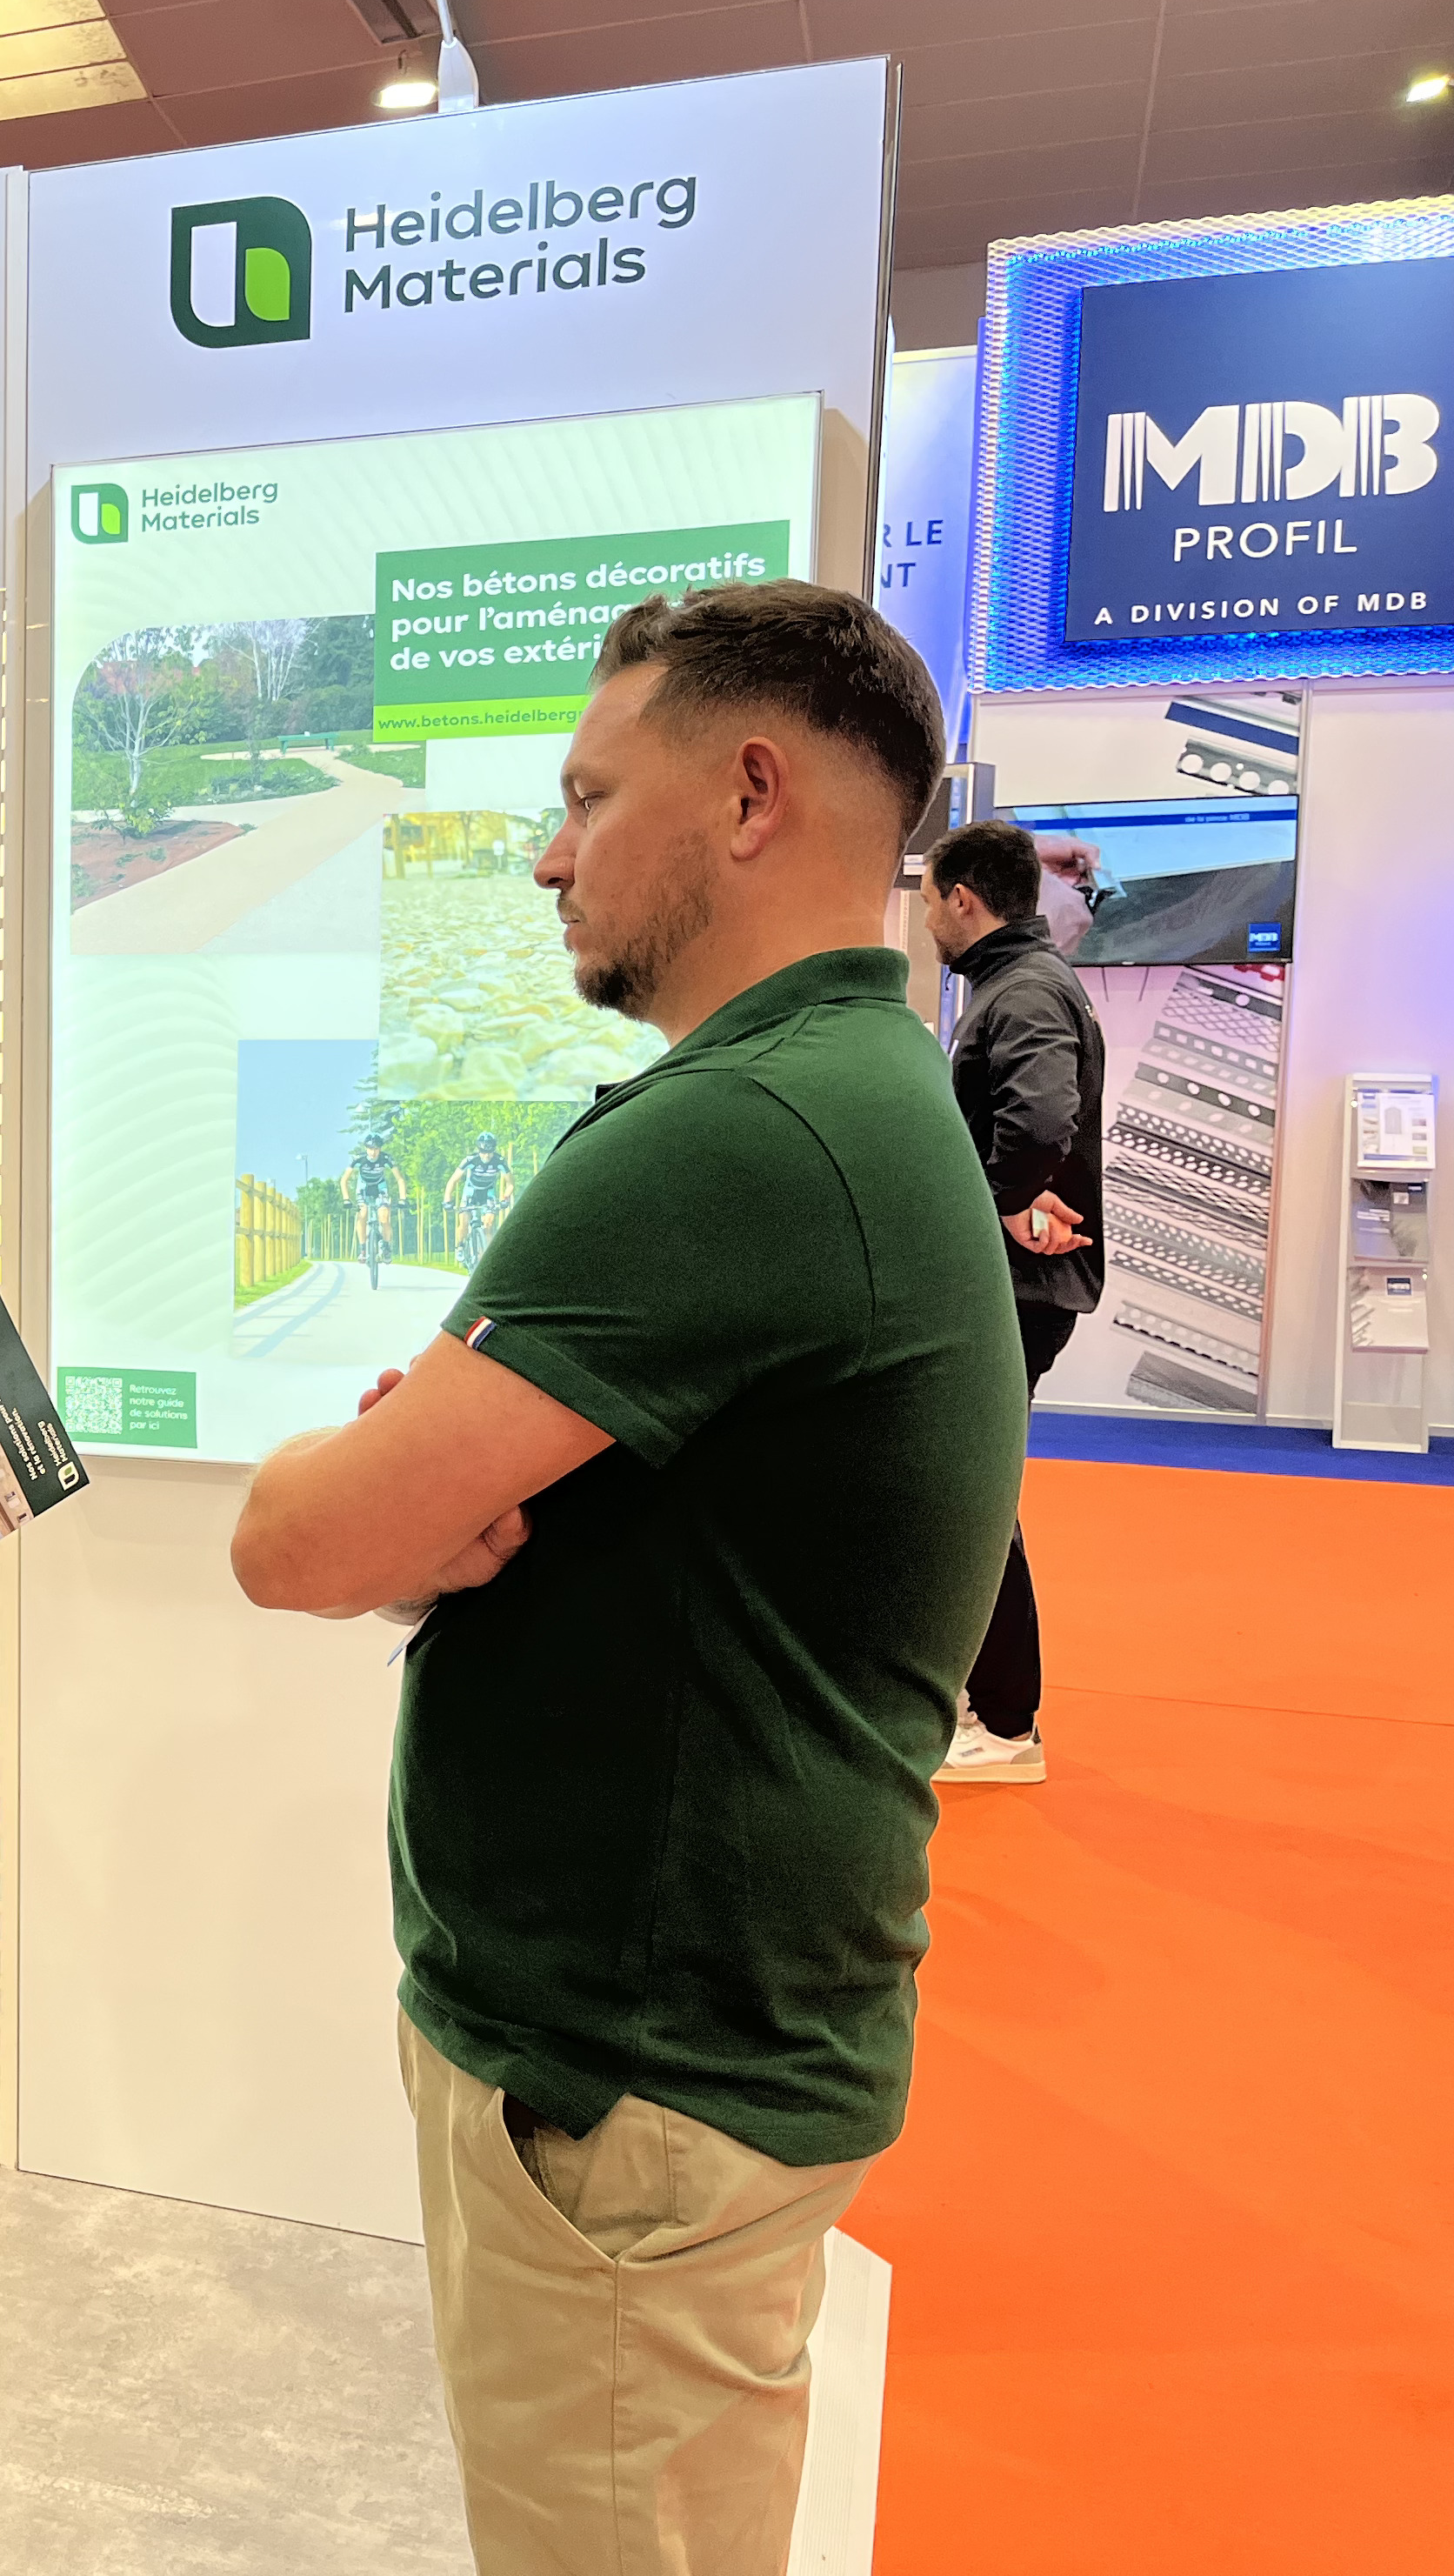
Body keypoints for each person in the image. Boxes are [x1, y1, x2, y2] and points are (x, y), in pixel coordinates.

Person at [228, 581, 1024, 2576]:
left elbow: (301, 1544)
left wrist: (385, 1476)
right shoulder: (847, 1089)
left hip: (634, 2096)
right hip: (702, 2064)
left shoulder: (738, 1133)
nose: (548, 849)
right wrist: (431, 1481)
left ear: (750, 793)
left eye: (590, 795)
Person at [921, 818, 1109, 1786]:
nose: (925, 923)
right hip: (1019, 1276)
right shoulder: (1017, 980)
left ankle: (1004, 1722)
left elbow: (1040, 1114)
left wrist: (995, 1207)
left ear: (962, 899)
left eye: (928, 902)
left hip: (1021, 1282)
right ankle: (980, 1699)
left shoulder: (1024, 989)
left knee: (974, 1491)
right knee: (965, 1485)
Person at [445, 1130, 512, 1267]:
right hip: (471, 1192)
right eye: (483, 1152)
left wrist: (505, 1198)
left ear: (494, 1149)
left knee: (488, 1225)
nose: (486, 1155)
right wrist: (447, 1200)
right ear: (478, 1150)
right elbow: (453, 1180)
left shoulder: (499, 1161)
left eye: (490, 1152)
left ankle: (487, 1257)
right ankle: (460, 1246)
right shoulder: (471, 1160)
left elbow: (510, 1183)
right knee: (464, 1221)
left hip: (488, 1193)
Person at [345, 1131, 402, 1285]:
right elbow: (344, 1180)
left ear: (380, 1149)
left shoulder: (386, 1158)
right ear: (366, 1149)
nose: (373, 1152)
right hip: (363, 1188)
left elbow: (399, 1179)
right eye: (370, 1148)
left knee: (384, 1216)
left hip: (380, 1188)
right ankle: (363, 1248)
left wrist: (403, 1198)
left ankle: (386, 1246)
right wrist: (346, 1198)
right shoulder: (359, 1159)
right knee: (362, 1214)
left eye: (376, 1149)